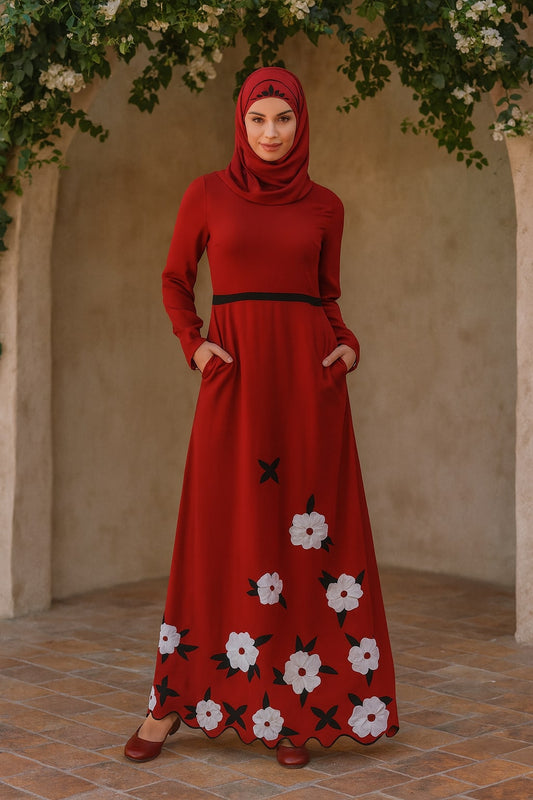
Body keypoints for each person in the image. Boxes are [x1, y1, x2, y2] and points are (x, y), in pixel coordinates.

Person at [124, 66, 399, 769]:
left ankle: (285, 710)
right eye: (257, 120)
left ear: (300, 123)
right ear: (239, 123)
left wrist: (346, 346)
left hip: (309, 391)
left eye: (282, 119)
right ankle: (167, 705)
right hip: (235, 382)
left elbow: (327, 297)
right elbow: (174, 280)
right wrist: (196, 350)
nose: (270, 133)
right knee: (220, 533)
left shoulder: (326, 207)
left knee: (301, 546)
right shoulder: (207, 194)